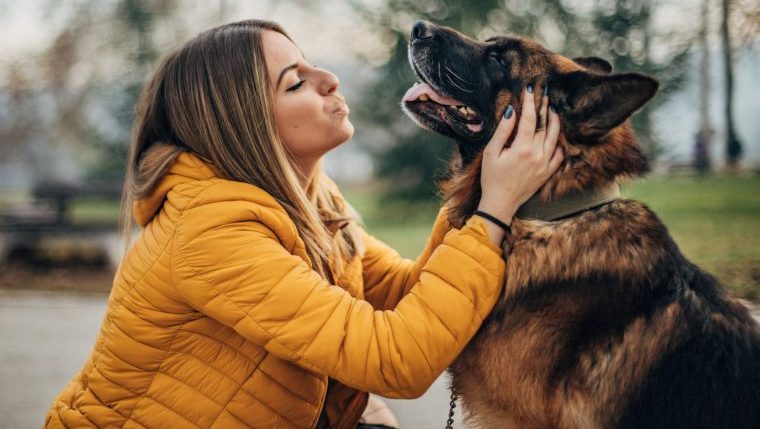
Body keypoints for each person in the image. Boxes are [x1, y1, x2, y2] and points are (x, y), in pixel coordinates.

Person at [44, 19, 562, 429]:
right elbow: (397, 359)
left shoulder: (311, 202)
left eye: (311, 64)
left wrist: (477, 183)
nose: (329, 79)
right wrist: (493, 208)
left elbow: (408, 294)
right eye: (296, 82)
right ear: (245, 125)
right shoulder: (212, 234)